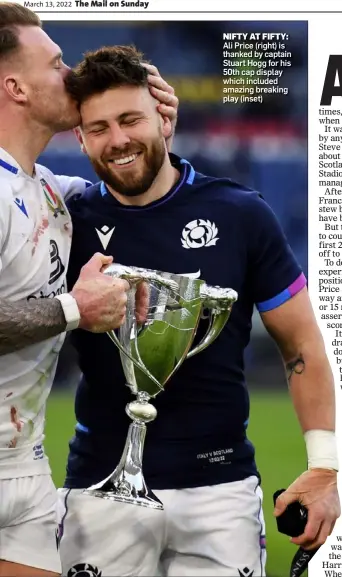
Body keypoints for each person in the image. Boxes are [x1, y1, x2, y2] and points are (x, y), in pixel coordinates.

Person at [58, 45, 340, 577]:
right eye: (98, 128)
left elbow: (301, 345)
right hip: (99, 488)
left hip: (220, 492)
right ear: (79, 138)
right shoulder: (65, 222)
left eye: (129, 119)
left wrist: (324, 468)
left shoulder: (240, 213)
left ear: (164, 118)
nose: (117, 139)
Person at [0, 5, 178, 576]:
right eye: (56, 65)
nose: (71, 76)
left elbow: (139, 185)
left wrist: (154, 132)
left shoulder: (53, 190)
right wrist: (76, 308)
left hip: (23, 467)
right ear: (15, 87)